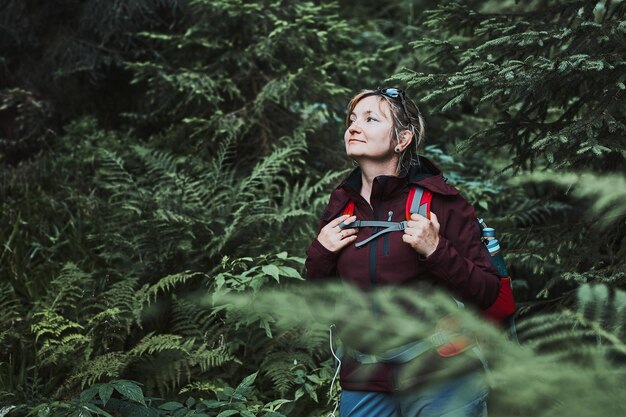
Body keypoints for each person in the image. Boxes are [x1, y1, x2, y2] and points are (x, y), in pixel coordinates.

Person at [305, 88, 502, 417]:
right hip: (366, 378)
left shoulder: (440, 201)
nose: (354, 127)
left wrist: (436, 249)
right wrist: (321, 250)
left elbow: (487, 291)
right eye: (352, 120)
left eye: (371, 119)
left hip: (442, 375)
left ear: (402, 139)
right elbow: (318, 290)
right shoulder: (343, 202)